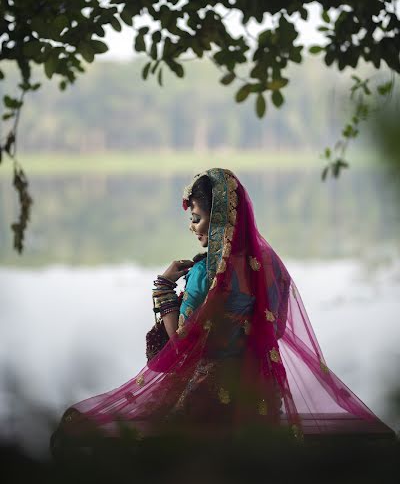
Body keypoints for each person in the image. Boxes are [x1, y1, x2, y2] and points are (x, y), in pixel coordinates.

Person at [50, 168, 394, 455]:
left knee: (88, 426)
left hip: (210, 395)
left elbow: (180, 346)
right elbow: (272, 330)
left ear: (217, 220)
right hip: (263, 394)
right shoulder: (270, 267)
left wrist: (163, 290)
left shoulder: (205, 275)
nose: (192, 227)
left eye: (197, 218)